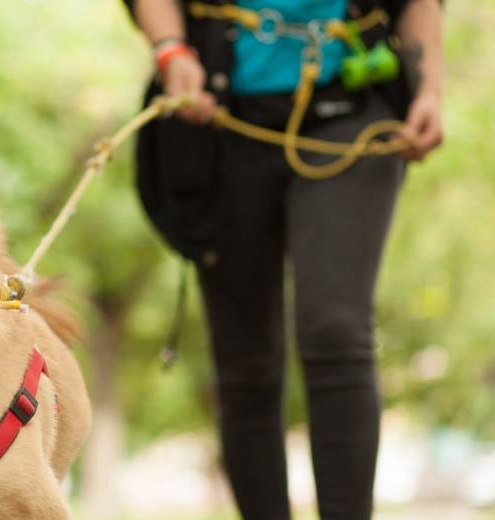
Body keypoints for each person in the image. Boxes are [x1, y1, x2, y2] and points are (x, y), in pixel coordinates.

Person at [120, 0, 443, 518]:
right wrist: (171, 51)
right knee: (246, 359)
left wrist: (430, 87)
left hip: (352, 109)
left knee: (336, 329)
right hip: (220, 115)